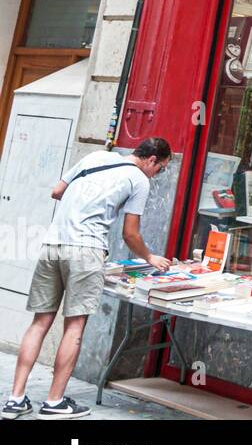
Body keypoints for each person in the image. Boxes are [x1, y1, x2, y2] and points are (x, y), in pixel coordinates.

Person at [4, 138, 172, 420]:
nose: (158, 174)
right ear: (152, 160)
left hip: (53, 245)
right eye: (162, 168)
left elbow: (57, 191)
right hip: (86, 250)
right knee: (75, 326)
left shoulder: (95, 157)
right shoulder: (139, 180)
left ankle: (15, 399)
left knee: (40, 322)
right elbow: (130, 234)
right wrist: (150, 258)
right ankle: (54, 402)